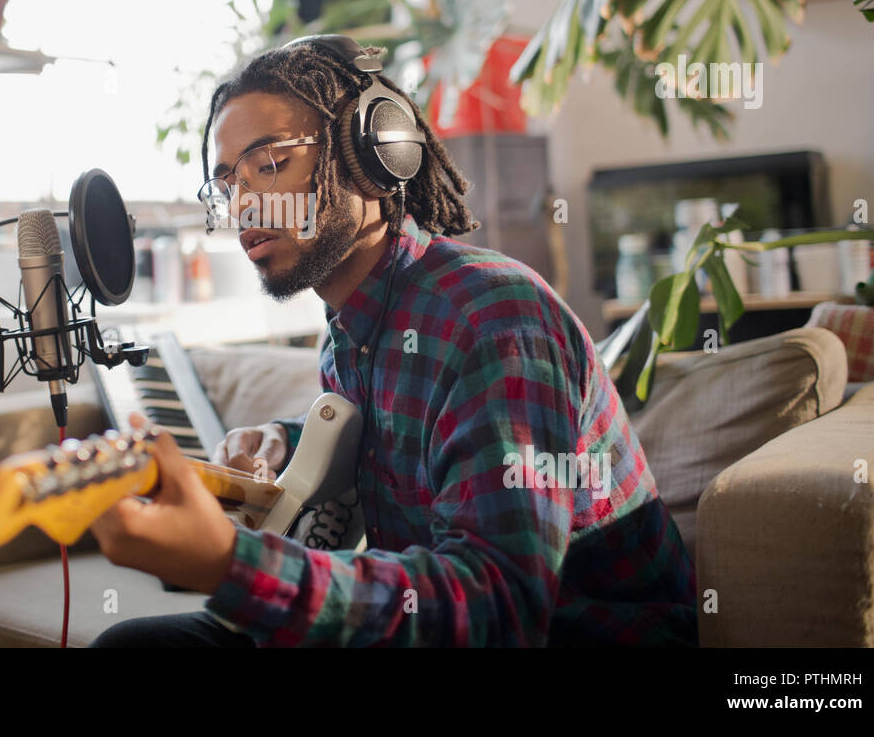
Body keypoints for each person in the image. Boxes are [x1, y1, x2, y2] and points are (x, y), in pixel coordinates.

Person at [89, 37, 697, 647]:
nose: (244, 205)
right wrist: (284, 440)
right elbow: (396, 436)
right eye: (227, 185)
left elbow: (503, 608)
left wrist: (231, 564)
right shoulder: (350, 332)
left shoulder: (495, 318)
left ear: (376, 156)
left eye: (269, 164)